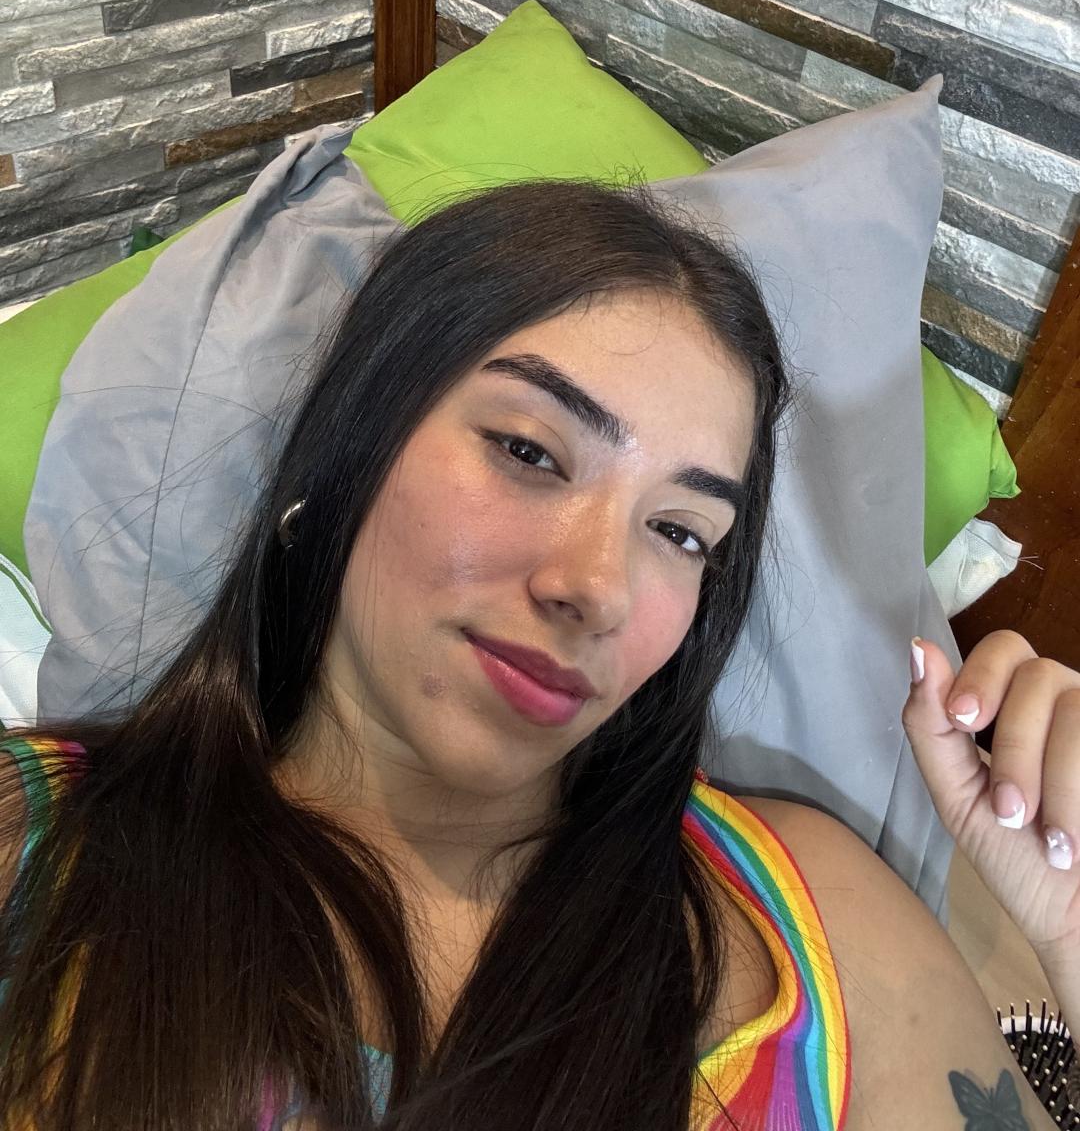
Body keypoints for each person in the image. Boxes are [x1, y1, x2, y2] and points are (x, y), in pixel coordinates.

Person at [0, 178, 1074, 1131]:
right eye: (528, 451)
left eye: (680, 532)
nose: (598, 589)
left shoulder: (820, 915)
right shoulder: (30, 847)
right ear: (349, 445)